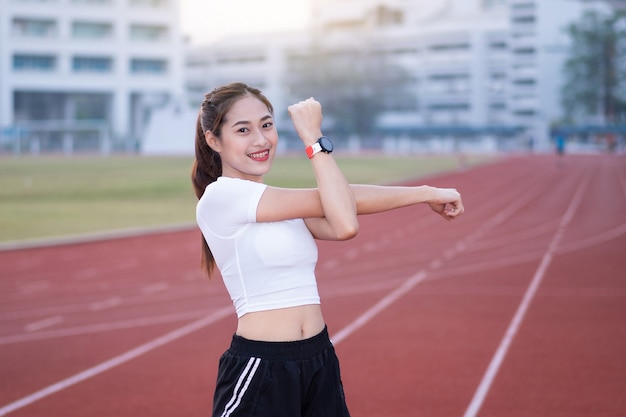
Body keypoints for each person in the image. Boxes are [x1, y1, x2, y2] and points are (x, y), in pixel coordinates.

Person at [191, 82, 464, 417]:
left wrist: (427, 193)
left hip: (318, 358)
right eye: (243, 130)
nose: (261, 140)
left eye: (266, 125)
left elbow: (339, 211)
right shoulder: (221, 198)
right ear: (213, 140)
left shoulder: (277, 203)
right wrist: (313, 139)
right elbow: (347, 223)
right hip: (263, 364)